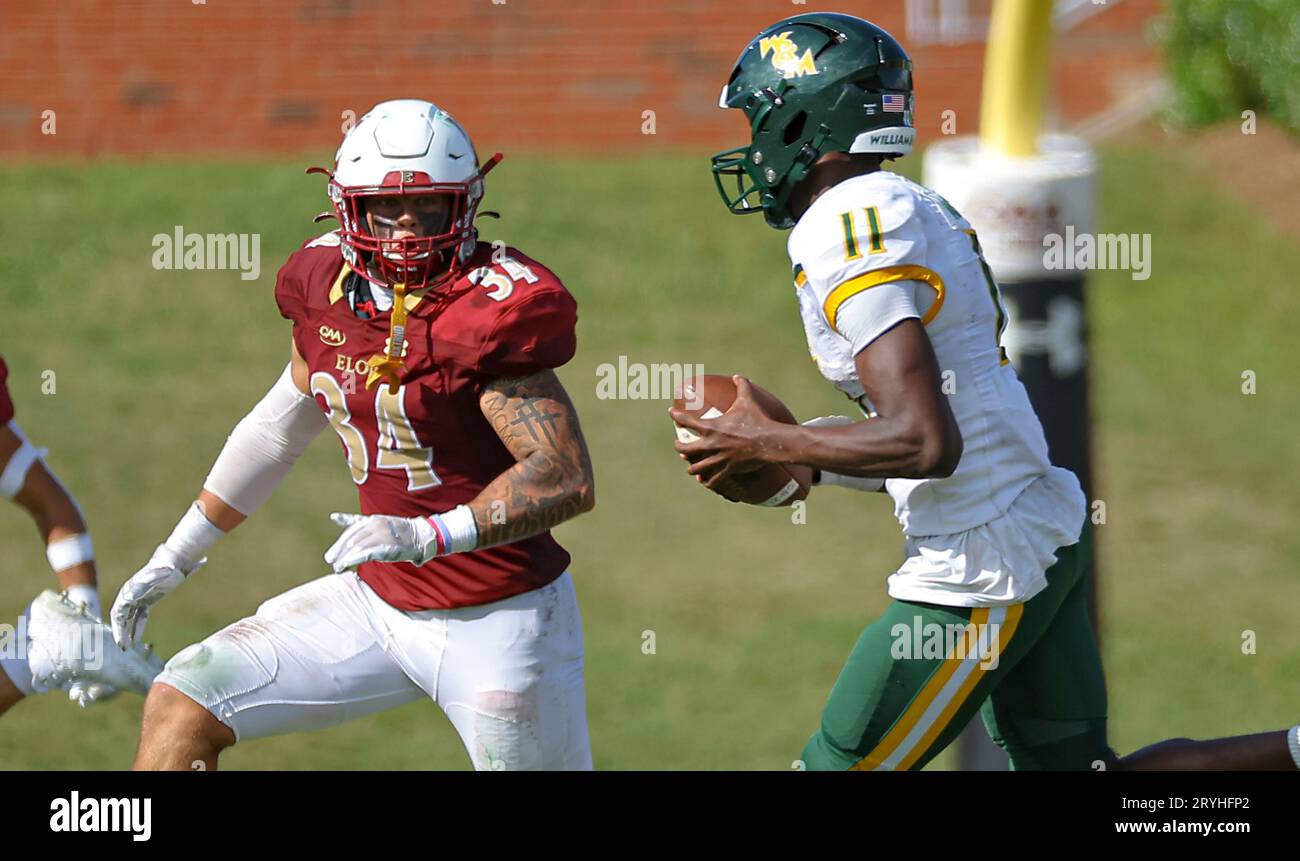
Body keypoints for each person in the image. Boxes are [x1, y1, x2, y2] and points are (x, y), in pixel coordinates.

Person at [672, 12, 1300, 771]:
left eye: (759, 115)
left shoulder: (845, 225)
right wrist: (816, 459)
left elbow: (923, 440)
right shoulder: (908, 203)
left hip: (977, 565)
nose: (753, 139)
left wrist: (764, 441)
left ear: (806, 117)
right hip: (1037, 522)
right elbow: (948, 417)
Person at [109, 100, 597, 771]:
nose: (404, 231)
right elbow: (281, 426)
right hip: (378, 602)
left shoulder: (488, 312)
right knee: (183, 700)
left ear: (464, 207)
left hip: (502, 624)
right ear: (347, 208)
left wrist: (428, 536)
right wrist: (177, 552)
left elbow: (564, 473)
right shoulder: (323, 285)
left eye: (427, 210)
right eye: (384, 210)